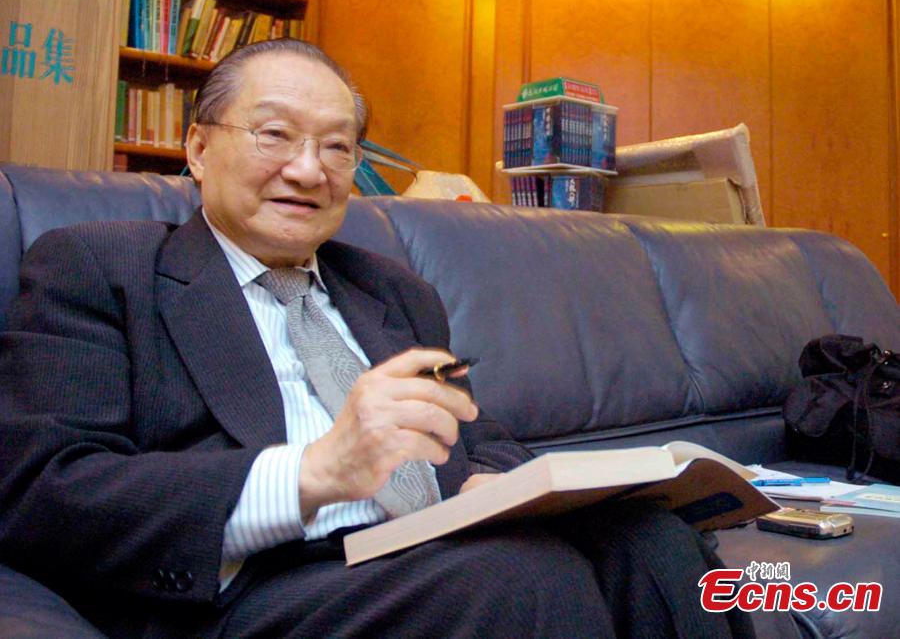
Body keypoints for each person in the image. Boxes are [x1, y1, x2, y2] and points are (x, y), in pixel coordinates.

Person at [0, 39, 753, 638]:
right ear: (198, 149)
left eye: (337, 148)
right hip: (251, 588)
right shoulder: (99, 267)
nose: (308, 170)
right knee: (520, 579)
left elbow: (479, 432)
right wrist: (317, 472)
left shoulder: (392, 291)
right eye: (274, 136)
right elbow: (42, 491)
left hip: (424, 551)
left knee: (648, 540)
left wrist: (492, 479)